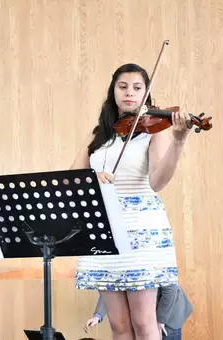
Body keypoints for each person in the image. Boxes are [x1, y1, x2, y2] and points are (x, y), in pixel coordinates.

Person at [71, 63, 192, 340]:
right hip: (102, 228)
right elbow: (72, 178)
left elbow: (157, 182)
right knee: (119, 326)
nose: (129, 93)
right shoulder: (98, 134)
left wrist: (179, 142)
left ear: (145, 95)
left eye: (137, 88)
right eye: (123, 86)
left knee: (144, 322)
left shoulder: (154, 130)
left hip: (141, 229)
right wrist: (92, 178)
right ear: (113, 91)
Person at [84, 285, 193, 340]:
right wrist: (97, 316)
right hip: (145, 313)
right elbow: (112, 289)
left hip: (169, 312)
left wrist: (161, 320)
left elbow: (170, 290)